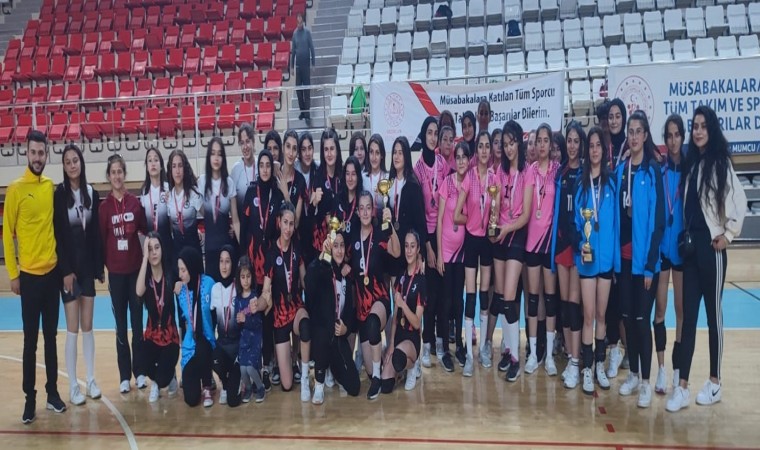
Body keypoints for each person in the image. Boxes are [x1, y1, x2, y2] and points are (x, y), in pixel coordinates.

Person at [667, 106, 747, 413]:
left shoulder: (720, 163)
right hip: (690, 251)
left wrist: (728, 235)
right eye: (695, 126)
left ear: (711, 130)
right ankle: (682, 387)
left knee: (714, 317)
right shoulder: (691, 163)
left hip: (712, 250)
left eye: (703, 126)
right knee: (688, 318)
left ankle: (715, 382)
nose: (698, 131)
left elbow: (739, 201)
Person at [4, 130, 67, 423]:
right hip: (28, 278)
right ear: (26, 153)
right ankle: (29, 399)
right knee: (30, 341)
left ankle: (52, 393)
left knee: (51, 338)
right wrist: (13, 274)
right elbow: (8, 234)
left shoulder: (50, 187)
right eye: (33, 152)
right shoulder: (15, 190)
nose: (38, 157)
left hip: (51, 275)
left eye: (42, 153)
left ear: (46, 154)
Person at [614, 111, 665, 408]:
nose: (633, 137)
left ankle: (646, 381)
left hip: (645, 264)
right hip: (623, 260)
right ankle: (633, 373)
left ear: (645, 136)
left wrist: (649, 265)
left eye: (638, 132)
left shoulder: (652, 171)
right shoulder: (621, 170)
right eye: (630, 132)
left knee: (642, 320)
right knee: (627, 319)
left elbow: (659, 222)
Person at [53, 144, 104, 406]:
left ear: (81, 163)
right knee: (72, 328)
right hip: (69, 274)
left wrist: (98, 267)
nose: (73, 165)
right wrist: (65, 271)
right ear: (64, 166)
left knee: (88, 326)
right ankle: (73, 385)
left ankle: (91, 379)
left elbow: (95, 235)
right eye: (68, 162)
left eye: (76, 160)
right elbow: (58, 236)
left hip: (87, 271)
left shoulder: (92, 193)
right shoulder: (59, 194)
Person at [99, 153, 147, 394]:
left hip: (135, 273)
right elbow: (101, 240)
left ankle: (140, 372)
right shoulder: (104, 208)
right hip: (116, 275)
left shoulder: (135, 203)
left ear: (125, 174)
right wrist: (102, 268)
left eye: (120, 171)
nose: (117, 176)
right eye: (113, 172)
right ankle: (124, 376)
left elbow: (145, 232)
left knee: (137, 325)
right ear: (109, 176)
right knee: (120, 326)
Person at [574, 127, 617, 395]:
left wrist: (616, 264)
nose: (594, 150)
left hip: (607, 261)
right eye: (590, 146)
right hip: (588, 260)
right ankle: (587, 367)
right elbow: (578, 222)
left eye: (598, 145)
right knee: (588, 315)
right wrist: (582, 244)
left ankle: (600, 363)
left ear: (604, 149)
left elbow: (615, 226)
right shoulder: (581, 185)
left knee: (602, 315)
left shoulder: (611, 184)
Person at [492, 121, 533, 382]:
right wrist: (493, 217)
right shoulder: (500, 171)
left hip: (516, 234)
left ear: (519, 141)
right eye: (505, 144)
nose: (508, 148)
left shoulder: (527, 172)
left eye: (511, 142)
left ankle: (516, 357)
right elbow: (496, 205)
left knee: (509, 296)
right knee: (500, 295)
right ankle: (507, 349)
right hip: (501, 234)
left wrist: (506, 228)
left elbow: (526, 215)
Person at [240, 150, 285, 389]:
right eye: (262, 165)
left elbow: (281, 230)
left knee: (268, 316)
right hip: (252, 265)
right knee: (252, 314)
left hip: (271, 266)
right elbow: (245, 227)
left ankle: (268, 365)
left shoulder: (277, 194)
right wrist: (243, 261)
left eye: (269, 165)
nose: (265, 169)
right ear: (258, 168)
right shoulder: (250, 193)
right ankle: (251, 362)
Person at [351, 191, 401, 399]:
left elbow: (397, 252)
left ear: (373, 211)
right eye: (361, 208)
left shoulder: (380, 234)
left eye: (368, 208)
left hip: (380, 299)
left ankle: (379, 378)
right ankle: (384, 369)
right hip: (361, 306)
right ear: (357, 212)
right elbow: (340, 258)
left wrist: (391, 227)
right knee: (372, 370)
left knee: (373, 324)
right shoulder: (352, 238)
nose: (365, 212)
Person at [454, 131, 496, 376]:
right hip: (471, 240)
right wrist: (472, 219)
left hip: (487, 242)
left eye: (487, 146)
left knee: (484, 296)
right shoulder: (469, 177)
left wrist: (491, 219)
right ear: (476, 150)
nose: (483, 150)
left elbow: (496, 211)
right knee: (470, 297)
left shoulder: (494, 178)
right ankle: (469, 356)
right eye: (480, 146)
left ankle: (482, 352)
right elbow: (456, 214)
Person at [262, 204, 312, 401]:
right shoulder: (271, 254)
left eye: (291, 224)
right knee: (287, 385)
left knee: (305, 326)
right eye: (285, 223)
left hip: (296, 308)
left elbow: (305, 281)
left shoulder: (297, 248)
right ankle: (289, 363)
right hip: (280, 315)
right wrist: (262, 301)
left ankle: (305, 377)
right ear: (279, 222)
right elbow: (266, 289)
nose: (288, 228)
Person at [306, 230, 361, 403]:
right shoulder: (323, 270)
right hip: (321, 336)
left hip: (337, 338)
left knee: (354, 387)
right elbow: (309, 279)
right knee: (322, 335)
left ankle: (331, 367)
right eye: (335, 246)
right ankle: (319, 383)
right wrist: (322, 255)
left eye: (342, 246)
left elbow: (350, 314)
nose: (339, 250)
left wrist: (346, 329)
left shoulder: (346, 277)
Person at [524, 124, 561, 376]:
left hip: (550, 245)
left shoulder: (558, 171)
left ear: (550, 144)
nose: (542, 145)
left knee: (550, 299)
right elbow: (528, 211)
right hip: (531, 245)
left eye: (546, 141)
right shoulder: (530, 171)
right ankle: (533, 353)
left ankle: (548, 356)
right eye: (539, 141)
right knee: (533, 299)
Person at [413, 117, 449, 369]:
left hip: (442, 236)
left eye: (436, 133)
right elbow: (419, 213)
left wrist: (440, 244)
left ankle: (440, 342)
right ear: (423, 134)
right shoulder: (417, 169)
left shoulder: (443, 165)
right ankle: (426, 344)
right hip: (426, 239)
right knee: (428, 295)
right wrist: (427, 248)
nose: (433, 137)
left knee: (442, 294)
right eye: (430, 132)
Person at [550, 122, 584, 388]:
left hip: (579, 247)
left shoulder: (586, 173)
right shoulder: (560, 173)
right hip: (562, 246)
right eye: (569, 141)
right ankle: (573, 358)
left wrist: (580, 238)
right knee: (565, 305)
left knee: (574, 305)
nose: (571, 146)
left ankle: (575, 361)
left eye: (575, 141)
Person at [655, 114, 685, 395]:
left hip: (683, 251)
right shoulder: (660, 172)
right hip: (663, 250)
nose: (673, 140)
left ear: (682, 137)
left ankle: (678, 369)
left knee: (681, 312)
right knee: (661, 310)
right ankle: (662, 369)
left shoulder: (690, 171)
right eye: (669, 136)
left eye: (677, 135)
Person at [380, 230, 427, 393]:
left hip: (411, 338)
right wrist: (391, 344)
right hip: (399, 335)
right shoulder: (401, 276)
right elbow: (395, 318)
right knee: (386, 385)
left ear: (418, 249)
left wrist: (402, 304)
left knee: (398, 358)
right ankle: (399, 369)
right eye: (406, 246)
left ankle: (412, 367)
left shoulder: (421, 281)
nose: (408, 250)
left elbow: (417, 323)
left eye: (412, 246)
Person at [437, 142, 470, 371]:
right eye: (457, 157)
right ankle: (445, 351)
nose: (460, 161)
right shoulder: (447, 183)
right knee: (446, 301)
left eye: (464, 157)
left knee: (459, 301)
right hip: (447, 252)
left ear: (469, 160)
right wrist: (439, 254)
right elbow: (440, 220)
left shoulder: (471, 184)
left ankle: (459, 344)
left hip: (463, 253)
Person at [136, 232, 180, 403]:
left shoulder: (171, 273)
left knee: (163, 379)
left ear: (162, 249)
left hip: (170, 337)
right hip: (152, 336)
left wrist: (181, 283)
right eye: (150, 249)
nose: (154, 253)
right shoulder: (146, 277)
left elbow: (184, 281)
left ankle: (168, 378)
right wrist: (144, 259)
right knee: (141, 361)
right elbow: (139, 291)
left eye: (156, 248)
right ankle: (156, 382)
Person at [175, 247, 216, 407]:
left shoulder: (209, 284)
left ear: (192, 267)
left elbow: (216, 314)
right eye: (179, 270)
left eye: (183, 270)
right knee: (191, 400)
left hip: (207, 342)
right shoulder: (181, 292)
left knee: (202, 347)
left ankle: (207, 385)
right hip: (189, 346)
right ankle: (195, 377)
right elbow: (184, 322)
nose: (180, 274)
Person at [199, 138, 240, 282]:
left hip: (226, 248)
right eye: (213, 153)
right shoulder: (201, 182)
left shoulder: (229, 183)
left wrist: (243, 248)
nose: (216, 158)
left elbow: (235, 220)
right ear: (208, 157)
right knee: (212, 291)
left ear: (223, 158)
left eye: (219, 154)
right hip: (210, 248)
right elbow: (201, 211)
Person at [210, 246, 242, 407]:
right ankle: (224, 382)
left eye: (227, 261)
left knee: (233, 402)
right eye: (221, 261)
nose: (224, 266)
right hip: (222, 345)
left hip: (237, 348)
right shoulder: (215, 289)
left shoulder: (239, 288)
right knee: (212, 356)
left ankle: (238, 378)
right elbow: (212, 322)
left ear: (233, 263)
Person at [308, 129, 343, 266]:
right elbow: (310, 213)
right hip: (322, 241)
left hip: (341, 240)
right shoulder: (317, 176)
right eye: (326, 149)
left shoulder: (344, 175)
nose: (329, 154)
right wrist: (314, 203)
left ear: (337, 150)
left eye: (332, 149)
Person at [235, 256, 266, 403]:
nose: (246, 280)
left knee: (250, 368)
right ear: (239, 279)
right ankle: (248, 388)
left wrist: (245, 320)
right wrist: (238, 320)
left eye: (248, 276)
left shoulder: (254, 298)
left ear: (252, 277)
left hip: (254, 339)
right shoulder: (237, 299)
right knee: (242, 369)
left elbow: (257, 323)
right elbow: (237, 322)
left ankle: (260, 387)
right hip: (244, 340)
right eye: (243, 277)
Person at [140, 148, 174, 274]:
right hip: (151, 246)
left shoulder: (169, 188)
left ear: (161, 166)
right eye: (149, 160)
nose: (153, 163)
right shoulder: (144, 191)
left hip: (167, 244)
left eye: (156, 160)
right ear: (147, 167)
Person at [167, 149, 204, 255]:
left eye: (180, 166)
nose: (177, 171)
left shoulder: (194, 193)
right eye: (174, 166)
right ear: (170, 170)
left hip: (193, 250)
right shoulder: (169, 196)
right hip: (177, 252)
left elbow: (209, 217)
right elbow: (171, 227)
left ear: (185, 168)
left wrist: (198, 231)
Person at [277, 130, 307, 231]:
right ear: (282, 148)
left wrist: (286, 194)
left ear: (297, 153)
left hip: (292, 238)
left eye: (294, 149)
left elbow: (296, 223)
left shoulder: (300, 181)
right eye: (288, 146)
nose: (290, 153)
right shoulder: (275, 176)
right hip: (274, 237)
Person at [297, 131, 319, 264]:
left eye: (310, 148)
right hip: (298, 227)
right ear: (299, 152)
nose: (307, 153)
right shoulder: (294, 170)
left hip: (313, 227)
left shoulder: (318, 169)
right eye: (303, 149)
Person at [290, 11, 316, 124]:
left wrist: (313, 63)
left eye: (300, 21)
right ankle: (302, 111)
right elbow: (293, 52)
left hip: (306, 66)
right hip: (298, 66)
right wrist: (291, 66)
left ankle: (307, 114)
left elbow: (312, 48)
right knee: (298, 90)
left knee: (306, 91)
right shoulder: (295, 34)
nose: (299, 23)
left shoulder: (307, 33)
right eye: (298, 21)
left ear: (303, 21)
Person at [362, 133, 389, 221]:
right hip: (366, 222)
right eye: (371, 152)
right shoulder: (362, 178)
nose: (374, 157)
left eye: (377, 153)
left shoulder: (387, 178)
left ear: (382, 155)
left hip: (383, 223)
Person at [231, 123, 257, 212]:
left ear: (253, 141)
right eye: (242, 143)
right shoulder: (235, 170)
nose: (245, 147)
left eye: (248, 141)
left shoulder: (260, 165)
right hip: (241, 219)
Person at [335, 155, 364, 236]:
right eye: (347, 174)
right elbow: (332, 229)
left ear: (358, 176)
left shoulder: (362, 201)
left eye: (353, 174)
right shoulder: (337, 199)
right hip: (340, 243)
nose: (350, 178)